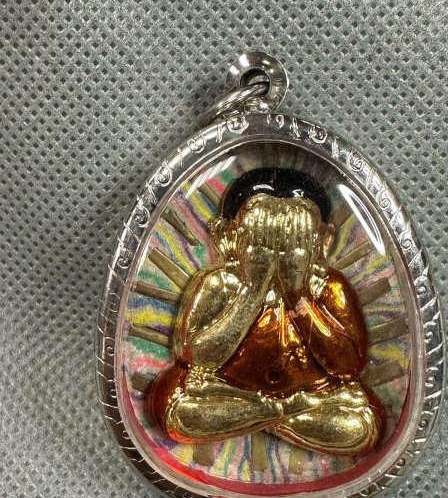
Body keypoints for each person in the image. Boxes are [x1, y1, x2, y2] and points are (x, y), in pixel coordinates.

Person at [148, 168, 385, 456]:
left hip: (315, 398)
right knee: (178, 410)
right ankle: (277, 413)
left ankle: (262, 417)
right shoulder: (220, 284)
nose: (277, 252)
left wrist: (298, 295)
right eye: (261, 238)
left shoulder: (327, 286)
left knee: (363, 425)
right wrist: (253, 289)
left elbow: (347, 366)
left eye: (295, 239)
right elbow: (198, 357)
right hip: (230, 393)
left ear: (323, 240)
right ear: (227, 236)